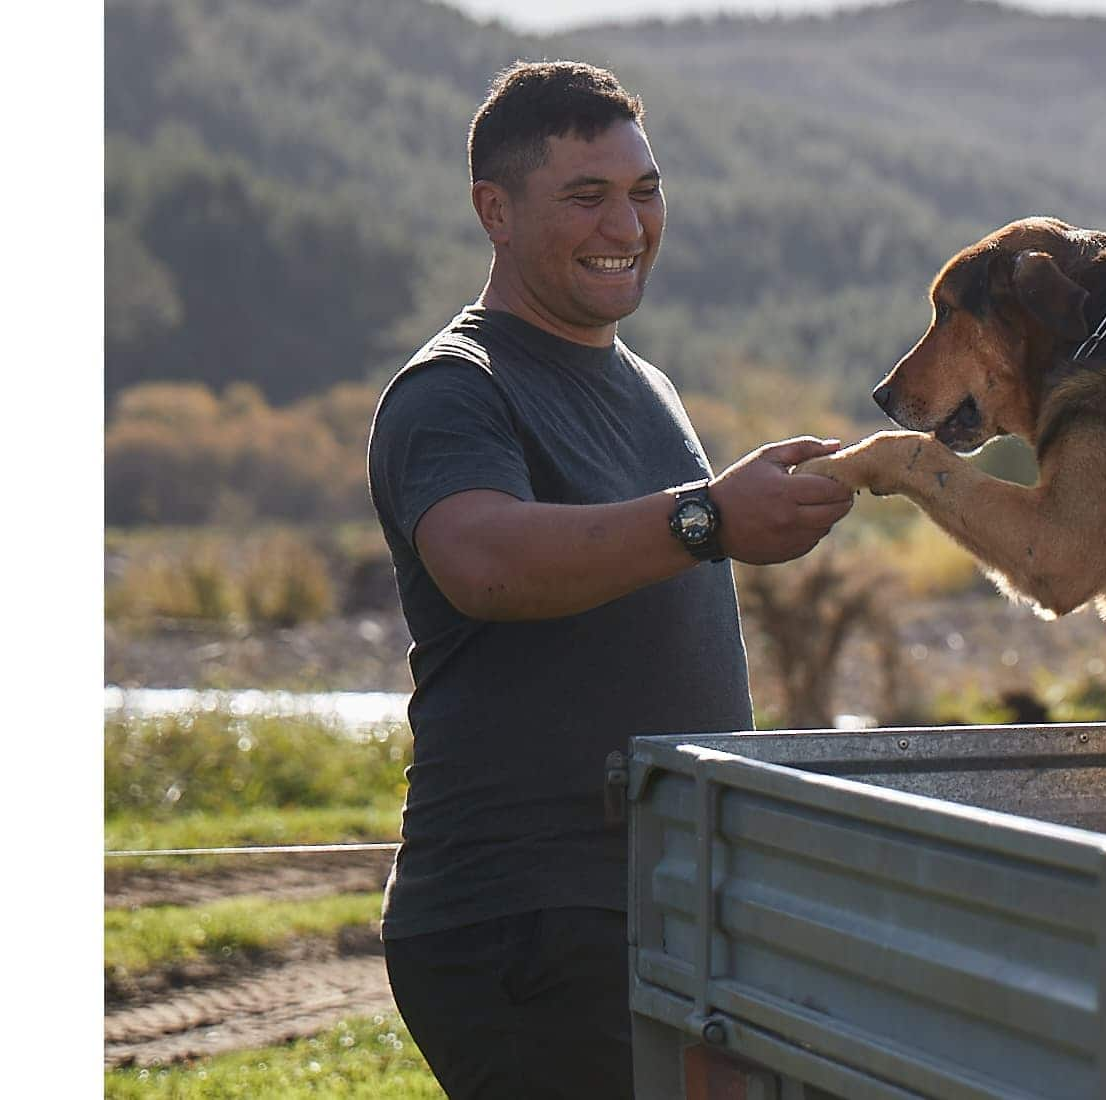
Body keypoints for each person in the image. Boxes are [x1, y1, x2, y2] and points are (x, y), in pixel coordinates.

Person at [366, 60, 855, 1098]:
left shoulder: (648, 385)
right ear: (493, 211)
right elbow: (484, 562)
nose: (625, 225)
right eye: (585, 197)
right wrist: (707, 516)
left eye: (644, 191)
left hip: (665, 897)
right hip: (524, 915)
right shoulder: (454, 389)